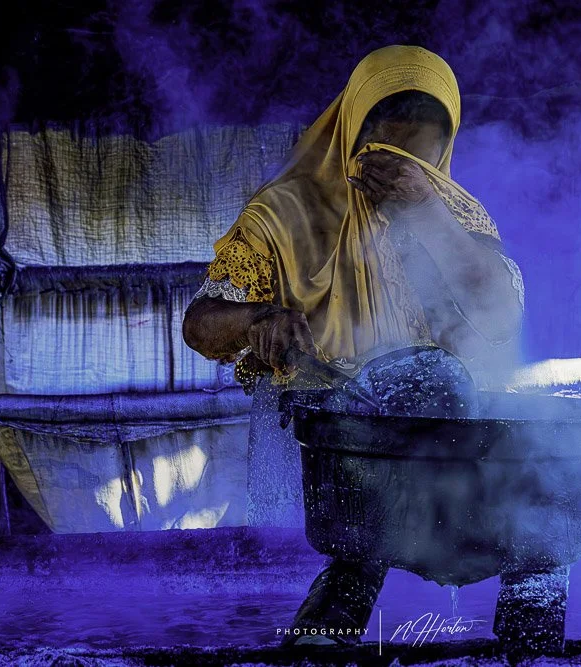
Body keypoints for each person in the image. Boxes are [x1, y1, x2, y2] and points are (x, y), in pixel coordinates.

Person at [183, 45, 525, 646]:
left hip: (436, 428)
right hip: (328, 436)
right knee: (343, 560)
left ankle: (517, 650)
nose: (398, 166)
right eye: (382, 144)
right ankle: (315, 647)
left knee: (499, 552)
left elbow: (500, 311)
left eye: (421, 150)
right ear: (351, 127)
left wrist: (430, 215)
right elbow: (201, 321)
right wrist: (258, 317)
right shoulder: (283, 213)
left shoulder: (452, 211)